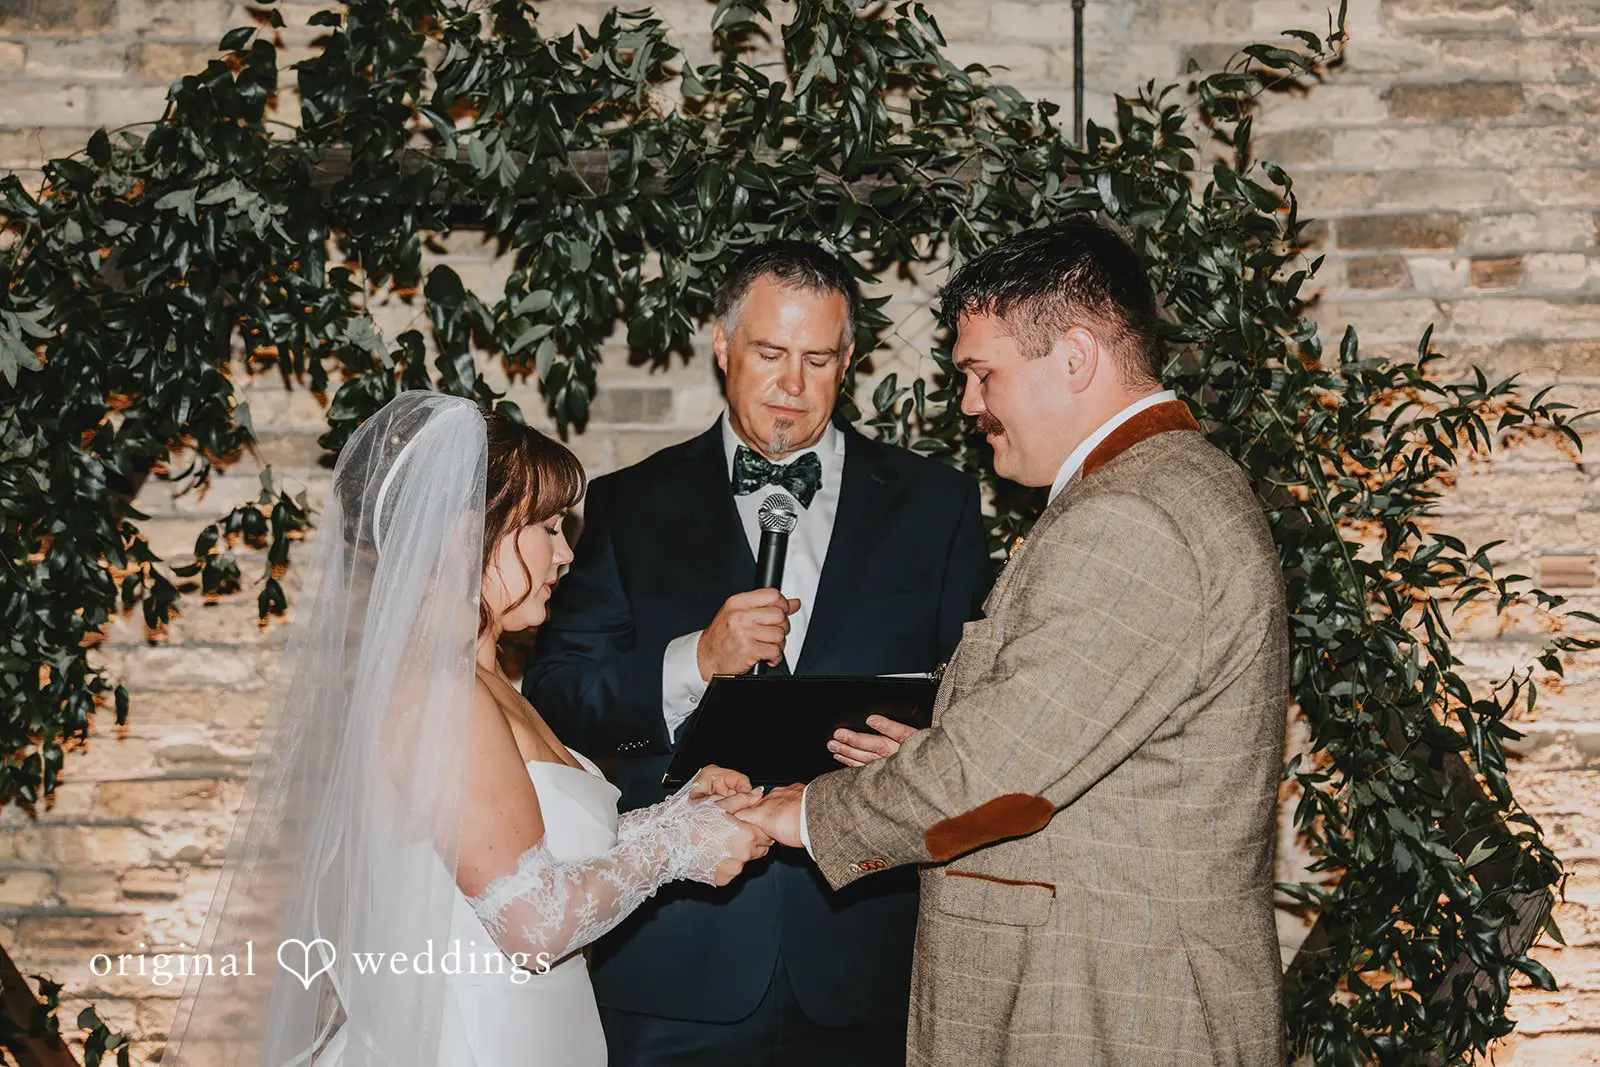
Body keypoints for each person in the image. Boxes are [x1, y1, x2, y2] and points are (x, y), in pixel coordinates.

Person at [740, 217, 1290, 1066]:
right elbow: (1077, 756)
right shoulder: (1163, 487)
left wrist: (805, 812)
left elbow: (998, 776)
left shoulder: (1131, 518)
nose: (968, 405)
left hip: (1105, 1011)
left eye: (981, 374)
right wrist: (935, 746)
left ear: (1073, 358)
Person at [163, 392, 772, 1067]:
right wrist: (676, 848)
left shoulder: (489, 685)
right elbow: (533, 923)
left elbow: (527, 860)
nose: (565, 554)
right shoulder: (438, 692)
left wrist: (676, 815)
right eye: (544, 527)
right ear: (463, 535)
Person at [524, 240, 992, 1065]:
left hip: (868, 961)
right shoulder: (630, 505)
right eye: (771, 354)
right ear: (721, 345)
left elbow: (982, 704)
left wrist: (927, 746)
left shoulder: (935, 505)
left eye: (818, 361)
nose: (792, 386)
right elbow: (559, 696)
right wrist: (694, 661)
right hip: (673, 967)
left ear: (848, 360)